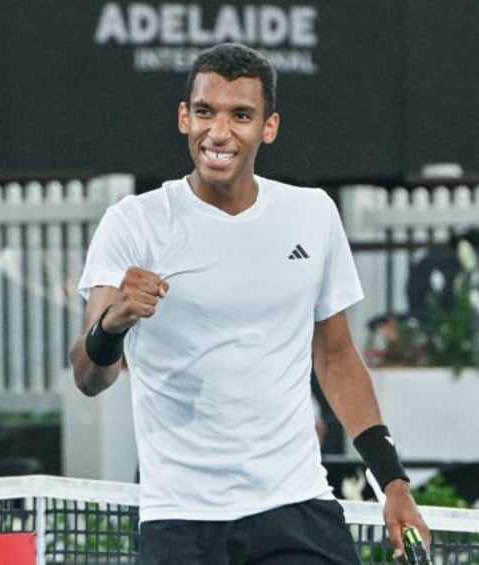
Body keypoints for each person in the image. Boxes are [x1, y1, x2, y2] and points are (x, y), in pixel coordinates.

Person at [70, 42, 429, 564]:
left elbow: (334, 357)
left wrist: (393, 482)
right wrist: (114, 323)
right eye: (204, 112)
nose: (219, 132)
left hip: (295, 506)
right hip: (181, 520)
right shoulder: (134, 223)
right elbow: (88, 375)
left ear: (269, 127)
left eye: (240, 115)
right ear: (183, 118)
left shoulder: (312, 214)